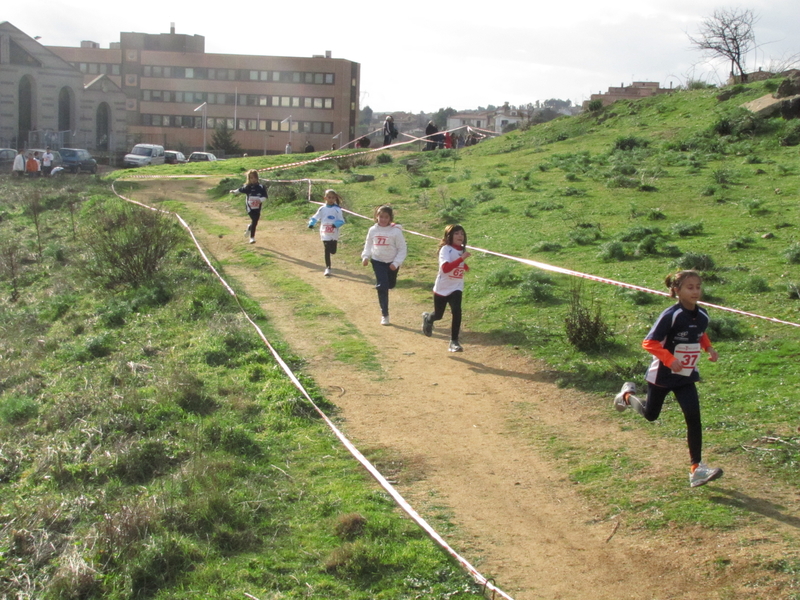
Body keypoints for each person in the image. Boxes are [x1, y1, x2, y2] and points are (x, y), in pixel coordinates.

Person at [614, 270, 722, 488]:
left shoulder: (703, 315)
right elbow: (649, 342)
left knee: (694, 418)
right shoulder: (671, 315)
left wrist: (709, 348)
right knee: (651, 415)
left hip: (686, 375)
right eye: (690, 287)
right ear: (677, 290)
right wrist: (669, 359)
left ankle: (696, 469)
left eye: (698, 286)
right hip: (661, 375)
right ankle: (626, 396)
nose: (695, 291)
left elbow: (700, 333)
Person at [422, 224, 470, 352]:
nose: (460, 236)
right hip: (443, 287)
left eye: (462, 233)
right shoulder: (445, 249)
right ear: (449, 236)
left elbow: (459, 263)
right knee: (438, 315)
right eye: (456, 233)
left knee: (457, 310)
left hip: (456, 287)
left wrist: (464, 266)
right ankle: (428, 318)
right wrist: (462, 259)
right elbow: (445, 268)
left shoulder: (461, 250)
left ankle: (454, 341)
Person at [361, 205, 407, 325]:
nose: (383, 219)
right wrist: (365, 257)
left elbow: (402, 249)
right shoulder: (372, 230)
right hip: (377, 261)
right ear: (377, 216)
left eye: (386, 217)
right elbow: (368, 244)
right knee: (382, 286)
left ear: (390, 218)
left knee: (390, 285)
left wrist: (396, 263)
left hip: (392, 263)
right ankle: (384, 314)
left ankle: (387, 285)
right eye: (381, 217)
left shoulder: (396, 232)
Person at [308, 189, 345, 277]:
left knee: (333, 251)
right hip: (324, 232)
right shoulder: (322, 209)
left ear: (335, 198)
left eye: (333, 198)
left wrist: (335, 225)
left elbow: (341, 220)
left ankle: (331, 253)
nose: (331, 199)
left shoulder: (337, 210)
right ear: (325, 198)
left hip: (334, 233)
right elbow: (316, 217)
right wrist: (311, 223)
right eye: (329, 197)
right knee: (326, 249)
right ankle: (328, 267)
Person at [230, 169, 268, 244]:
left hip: (257, 207)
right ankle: (252, 238)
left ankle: (249, 227)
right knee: (254, 220)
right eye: (251, 178)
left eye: (254, 177)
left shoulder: (261, 187)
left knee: (255, 222)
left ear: (257, 178)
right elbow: (240, 190)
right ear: (249, 179)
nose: (253, 179)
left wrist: (260, 200)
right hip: (249, 207)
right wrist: (234, 192)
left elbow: (265, 196)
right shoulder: (247, 187)